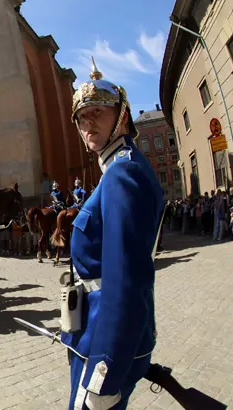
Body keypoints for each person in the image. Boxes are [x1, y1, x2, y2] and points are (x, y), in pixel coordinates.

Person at [61, 58, 163, 409]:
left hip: (104, 338)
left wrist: (106, 371)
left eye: (98, 112)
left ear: (121, 115)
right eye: (81, 117)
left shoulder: (122, 174)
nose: (88, 122)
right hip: (96, 328)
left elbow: (126, 282)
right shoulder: (119, 168)